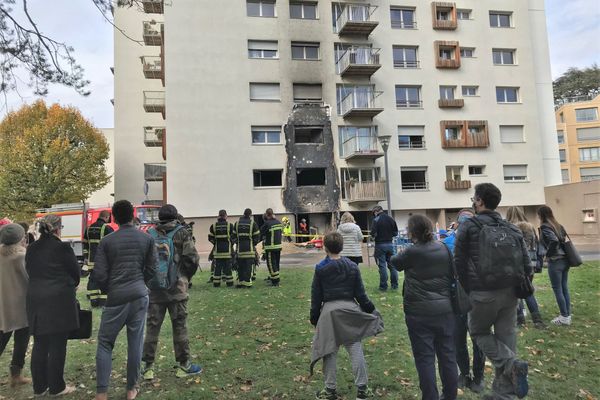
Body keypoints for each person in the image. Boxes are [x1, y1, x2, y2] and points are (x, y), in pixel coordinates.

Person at [454, 183, 531, 400]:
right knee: (506, 339)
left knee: (478, 332)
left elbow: (458, 261)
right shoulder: (512, 228)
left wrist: (470, 289)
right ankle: (504, 394)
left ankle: (510, 365)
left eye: (474, 199)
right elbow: (527, 264)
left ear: (479, 201)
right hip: (511, 293)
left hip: (482, 292)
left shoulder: (468, 227)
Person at [92, 200, 158, 400]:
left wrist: (110, 289)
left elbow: (99, 274)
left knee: (105, 342)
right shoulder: (146, 239)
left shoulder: (107, 242)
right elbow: (152, 268)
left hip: (116, 297)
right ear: (132, 216)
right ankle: (131, 390)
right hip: (139, 296)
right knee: (135, 343)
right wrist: (140, 282)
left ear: (114, 218)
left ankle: (102, 393)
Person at [391, 215, 458, 400]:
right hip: (445, 310)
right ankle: (450, 395)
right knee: (448, 356)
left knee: (425, 359)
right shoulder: (444, 248)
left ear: (413, 232)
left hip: (418, 313)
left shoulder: (412, 252)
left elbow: (395, 262)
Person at [310, 232, 381, 400]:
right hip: (350, 310)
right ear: (341, 247)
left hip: (329, 313)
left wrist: (314, 318)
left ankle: (330, 390)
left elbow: (316, 296)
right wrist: (371, 310)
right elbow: (361, 295)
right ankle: (362, 389)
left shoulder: (320, 268)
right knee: (355, 348)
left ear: (325, 248)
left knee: (329, 351)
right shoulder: (352, 266)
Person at [142, 204, 201, 381]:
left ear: (159, 217)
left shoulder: (149, 234)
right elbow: (192, 258)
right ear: (175, 216)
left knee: (152, 328)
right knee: (180, 326)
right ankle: (184, 365)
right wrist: (184, 278)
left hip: (155, 290)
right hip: (177, 290)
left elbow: (145, 262)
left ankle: (148, 367)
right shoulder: (183, 232)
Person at [26, 215, 79, 396]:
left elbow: (29, 270)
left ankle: (39, 386)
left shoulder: (31, 249)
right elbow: (75, 273)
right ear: (58, 229)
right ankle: (57, 386)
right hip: (58, 300)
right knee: (57, 344)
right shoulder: (63, 248)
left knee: (40, 343)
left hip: (36, 299)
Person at [443, 209, 486, 392]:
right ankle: (472, 375)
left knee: (467, 338)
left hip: (468, 296)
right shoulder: (448, 243)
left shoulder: (448, 242)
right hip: (467, 297)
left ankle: (472, 375)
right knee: (468, 338)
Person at [0, 224, 31, 388]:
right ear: (21, 238)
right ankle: (16, 375)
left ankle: (16, 377)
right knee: (21, 341)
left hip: (2, 306)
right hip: (21, 305)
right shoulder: (22, 256)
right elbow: (31, 278)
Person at [506, 206, 546, 329]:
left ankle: (520, 319)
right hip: (531, 263)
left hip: (516, 264)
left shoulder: (509, 228)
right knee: (527, 289)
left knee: (516, 292)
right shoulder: (530, 227)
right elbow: (537, 245)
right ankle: (537, 320)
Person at [537, 205, 572, 326]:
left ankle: (564, 317)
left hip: (555, 261)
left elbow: (554, 241)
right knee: (564, 288)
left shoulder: (545, 226)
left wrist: (547, 254)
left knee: (558, 289)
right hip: (565, 260)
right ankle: (567, 314)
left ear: (541, 215)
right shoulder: (558, 225)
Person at [84, 210, 114, 308]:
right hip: (103, 262)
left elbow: (85, 245)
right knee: (104, 281)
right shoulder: (107, 228)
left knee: (93, 281)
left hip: (91, 261)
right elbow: (112, 246)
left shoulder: (88, 229)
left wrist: (85, 258)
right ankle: (103, 303)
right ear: (106, 217)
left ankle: (94, 302)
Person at [370, 205, 399, 291]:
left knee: (382, 266)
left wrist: (374, 237)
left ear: (376, 211)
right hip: (390, 244)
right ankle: (394, 286)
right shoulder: (391, 219)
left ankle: (383, 287)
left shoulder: (376, 220)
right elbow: (395, 233)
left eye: (373, 213)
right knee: (392, 266)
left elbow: (373, 234)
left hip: (380, 245)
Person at [208, 209, 235, 287]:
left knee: (217, 268)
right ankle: (229, 283)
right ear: (226, 216)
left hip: (218, 252)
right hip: (227, 251)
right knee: (228, 268)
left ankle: (216, 283)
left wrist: (216, 244)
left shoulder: (213, 226)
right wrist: (230, 244)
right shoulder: (230, 226)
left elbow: (210, 238)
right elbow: (233, 237)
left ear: (219, 216)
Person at [234, 208, 260, 288]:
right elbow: (257, 237)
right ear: (250, 215)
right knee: (248, 267)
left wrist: (237, 242)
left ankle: (240, 282)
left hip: (240, 250)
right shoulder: (253, 223)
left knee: (240, 267)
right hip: (250, 250)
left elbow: (233, 236)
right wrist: (253, 244)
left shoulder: (237, 223)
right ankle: (247, 283)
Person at [260, 208, 283, 286]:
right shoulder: (278, 222)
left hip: (270, 247)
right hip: (278, 247)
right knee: (276, 263)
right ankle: (274, 278)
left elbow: (261, 233)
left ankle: (275, 281)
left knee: (271, 264)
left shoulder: (267, 223)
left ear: (267, 214)